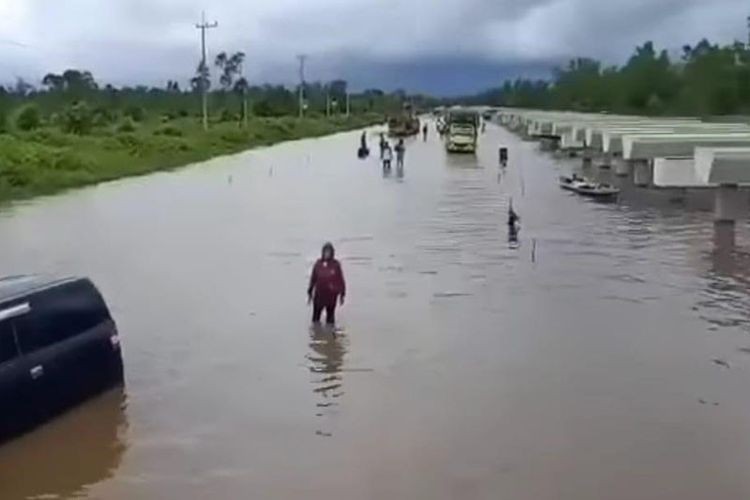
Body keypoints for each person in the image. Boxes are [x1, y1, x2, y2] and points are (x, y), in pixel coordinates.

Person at [308, 242, 346, 325]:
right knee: (315, 320)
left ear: (332, 253)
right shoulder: (318, 264)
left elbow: (340, 280)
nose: (327, 254)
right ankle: (316, 335)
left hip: (331, 298)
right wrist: (310, 292)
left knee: (330, 320)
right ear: (322, 252)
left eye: (328, 252)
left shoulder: (336, 265)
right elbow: (313, 279)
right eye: (325, 252)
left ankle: (330, 336)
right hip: (319, 296)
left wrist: (342, 294)